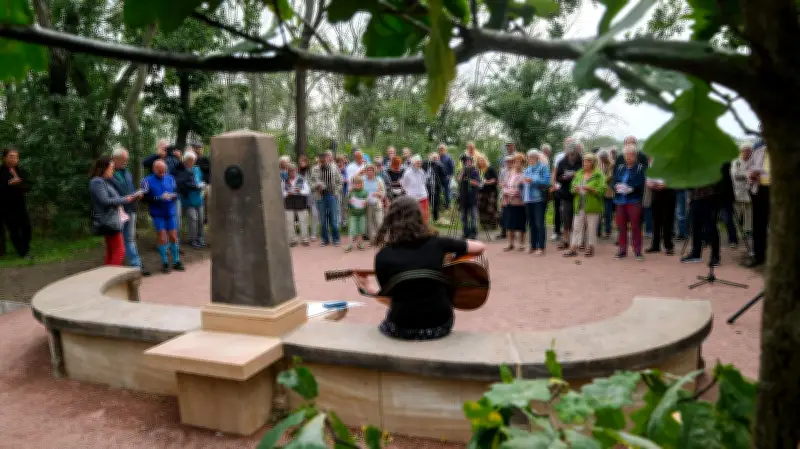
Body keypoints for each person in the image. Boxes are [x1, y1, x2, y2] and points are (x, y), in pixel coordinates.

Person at [353, 196, 486, 341]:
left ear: (389, 221)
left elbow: (391, 300)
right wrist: (451, 259)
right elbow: (480, 247)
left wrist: (368, 286)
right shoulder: (439, 243)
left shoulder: (382, 256)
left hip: (401, 328)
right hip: (440, 325)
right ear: (420, 217)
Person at [89, 156, 142, 266]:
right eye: (111, 168)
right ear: (104, 168)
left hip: (110, 219)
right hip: (108, 220)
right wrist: (126, 199)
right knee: (120, 250)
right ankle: (112, 278)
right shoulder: (97, 182)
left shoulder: (104, 181)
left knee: (111, 251)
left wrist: (131, 197)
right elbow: (105, 200)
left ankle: (106, 277)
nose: (112, 170)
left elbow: (113, 198)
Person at [109, 147, 150, 275]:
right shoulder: (108, 174)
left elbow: (130, 189)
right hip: (116, 211)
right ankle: (114, 269)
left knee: (130, 239)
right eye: (123, 160)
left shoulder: (127, 173)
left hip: (130, 209)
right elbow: (109, 195)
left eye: (126, 160)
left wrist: (137, 194)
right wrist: (125, 198)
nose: (125, 163)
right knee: (117, 241)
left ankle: (136, 266)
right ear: (114, 159)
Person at [142, 160, 184, 273]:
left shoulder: (170, 178)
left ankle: (176, 261)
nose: (162, 173)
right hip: (157, 213)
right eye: (159, 171)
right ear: (154, 169)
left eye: (163, 171)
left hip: (170, 212)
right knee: (162, 237)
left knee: (173, 236)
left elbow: (177, 192)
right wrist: (158, 198)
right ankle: (165, 262)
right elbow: (144, 198)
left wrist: (172, 196)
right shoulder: (146, 180)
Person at [563, 152, 605, 257]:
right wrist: (575, 189)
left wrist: (591, 189)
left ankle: (590, 247)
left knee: (591, 227)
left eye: (588, 161)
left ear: (593, 163)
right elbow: (572, 188)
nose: (585, 163)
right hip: (579, 204)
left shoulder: (599, 175)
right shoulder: (579, 173)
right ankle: (573, 248)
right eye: (584, 161)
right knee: (576, 226)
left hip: (592, 205)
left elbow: (602, 190)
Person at [613, 145, 647, 260]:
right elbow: (614, 181)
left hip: (634, 200)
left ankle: (637, 251)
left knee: (635, 226)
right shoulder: (619, 168)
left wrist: (631, 188)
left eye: (631, 155)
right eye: (626, 155)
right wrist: (616, 186)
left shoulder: (640, 168)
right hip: (620, 200)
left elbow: (641, 183)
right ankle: (622, 250)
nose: (628, 157)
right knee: (621, 226)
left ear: (635, 156)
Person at [0, 147, 33, 260]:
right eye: (11, 157)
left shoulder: (19, 170)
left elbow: (28, 183)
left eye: (16, 157)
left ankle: (25, 248)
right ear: (4, 158)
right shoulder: (2, 172)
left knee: (27, 227)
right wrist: (9, 183)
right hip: (6, 207)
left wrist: (22, 185)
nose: (14, 159)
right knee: (14, 230)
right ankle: (23, 252)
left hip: (20, 204)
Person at [681, 182, 722, 267]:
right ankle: (696, 254)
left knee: (710, 226)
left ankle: (715, 256)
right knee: (696, 225)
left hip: (711, 196)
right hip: (696, 197)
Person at [309, 151, 343, 247]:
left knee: (333, 219)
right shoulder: (314, 169)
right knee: (323, 220)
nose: (323, 162)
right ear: (319, 160)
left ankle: (336, 239)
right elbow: (310, 182)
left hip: (332, 195)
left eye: (324, 160)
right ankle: (325, 239)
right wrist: (316, 186)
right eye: (321, 160)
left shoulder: (334, 168)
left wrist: (336, 193)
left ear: (328, 159)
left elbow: (340, 182)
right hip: (320, 197)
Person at [745, 142, 770, 267]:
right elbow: (749, 168)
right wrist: (752, 175)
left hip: (778, 191)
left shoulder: (786, 148)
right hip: (759, 189)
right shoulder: (758, 149)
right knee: (759, 223)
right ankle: (759, 255)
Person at [176, 151, 207, 249]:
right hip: (187, 199)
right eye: (189, 160)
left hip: (199, 198)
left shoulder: (197, 169)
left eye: (193, 160)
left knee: (201, 220)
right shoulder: (182, 170)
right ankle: (192, 239)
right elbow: (182, 184)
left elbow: (200, 179)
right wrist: (196, 186)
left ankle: (200, 239)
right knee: (193, 219)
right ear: (185, 160)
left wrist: (201, 184)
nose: (191, 162)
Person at [522, 150, 551, 255]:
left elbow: (547, 182)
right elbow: (524, 183)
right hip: (528, 199)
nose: (530, 159)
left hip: (539, 199)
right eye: (529, 157)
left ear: (537, 158)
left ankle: (541, 247)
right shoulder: (527, 169)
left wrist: (533, 181)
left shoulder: (543, 168)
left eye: (532, 157)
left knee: (539, 223)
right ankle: (533, 246)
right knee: (531, 224)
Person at [554, 143, 582, 250]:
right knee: (566, 218)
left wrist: (576, 175)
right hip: (566, 194)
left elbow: (585, 174)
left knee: (579, 218)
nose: (571, 154)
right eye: (570, 153)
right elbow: (557, 177)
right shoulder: (562, 162)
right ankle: (566, 240)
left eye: (573, 153)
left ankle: (579, 241)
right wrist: (564, 177)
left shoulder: (582, 162)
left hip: (579, 194)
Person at [644, 172, 676, 255]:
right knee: (656, 220)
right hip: (656, 192)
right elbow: (648, 178)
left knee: (667, 220)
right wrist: (650, 184)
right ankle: (655, 245)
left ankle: (668, 246)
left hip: (669, 191)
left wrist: (667, 184)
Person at [501, 153, 527, 251]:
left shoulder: (525, 173)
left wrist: (517, 192)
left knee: (521, 224)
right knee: (509, 223)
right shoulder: (509, 173)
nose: (517, 164)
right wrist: (507, 192)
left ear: (523, 163)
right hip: (509, 201)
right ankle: (510, 244)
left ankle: (522, 244)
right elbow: (503, 185)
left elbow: (525, 188)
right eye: (516, 161)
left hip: (520, 203)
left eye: (520, 162)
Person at [283, 164, 311, 246]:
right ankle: (292, 240)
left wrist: (300, 191)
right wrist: (287, 193)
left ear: (296, 171)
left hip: (300, 202)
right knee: (289, 222)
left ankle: (305, 239)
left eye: (294, 171)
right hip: (289, 203)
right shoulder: (284, 180)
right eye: (290, 171)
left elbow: (307, 191)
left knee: (303, 221)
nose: (292, 173)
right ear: (288, 172)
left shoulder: (302, 179)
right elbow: (281, 192)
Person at [731, 144, 753, 241]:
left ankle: (747, 230)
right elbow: (735, 174)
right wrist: (747, 174)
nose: (747, 153)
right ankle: (736, 231)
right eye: (745, 151)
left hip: (749, 190)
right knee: (737, 212)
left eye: (749, 151)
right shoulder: (736, 162)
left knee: (748, 212)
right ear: (741, 151)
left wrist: (747, 175)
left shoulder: (752, 162)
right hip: (737, 190)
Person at [457, 154, 481, 239]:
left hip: (472, 197)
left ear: (471, 162)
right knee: (463, 216)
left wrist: (469, 180)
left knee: (473, 216)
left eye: (468, 161)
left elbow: (478, 183)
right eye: (465, 161)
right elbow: (459, 179)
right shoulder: (462, 171)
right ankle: (465, 232)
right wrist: (463, 170)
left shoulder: (475, 171)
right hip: (463, 198)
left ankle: (473, 233)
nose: (466, 163)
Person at [400, 155, 429, 222]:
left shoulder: (422, 171)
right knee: (412, 215)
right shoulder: (407, 173)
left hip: (423, 196)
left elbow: (424, 182)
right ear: (413, 163)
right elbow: (404, 185)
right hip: (412, 198)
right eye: (417, 163)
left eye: (420, 162)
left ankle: (424, 230)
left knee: (424, 215)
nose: (419, 164)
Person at [345, 175, 369, 252]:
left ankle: (360, 244)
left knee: (361, 230)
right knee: (352, 230)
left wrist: (366, 203)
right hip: (353, 215)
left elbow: (366, 202)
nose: (358, 185)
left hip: (362, 215)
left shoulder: (365, 192)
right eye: (356, 183)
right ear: (354, 184)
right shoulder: (351, 192)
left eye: (359, 183)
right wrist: (349, 202)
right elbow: (347, 203)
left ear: (362, 184)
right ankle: (349, 245)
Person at [475, 155, 499, 230]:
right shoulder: (477, 170)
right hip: (481, 192)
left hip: (491, 191)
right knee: (481, 207)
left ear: (485, 160)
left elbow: (495, 180)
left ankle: (493, 224)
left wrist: (487, 182)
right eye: (479, 160)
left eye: (482, 160)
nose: (481, 162)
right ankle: (484, 225)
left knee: (491, 208)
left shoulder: (490, 169)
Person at [363, 164, 386, 241]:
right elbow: (360, 191)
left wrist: (378, 194)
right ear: (365, 171)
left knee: (379, 221)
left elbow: (383, 192)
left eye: (371, 170)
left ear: (374, 171)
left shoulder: (379, 180)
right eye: (368, 170)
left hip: (377, 203)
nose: (370, 171)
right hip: (367, 204)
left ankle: (381, 238)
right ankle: (373, 239)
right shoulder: (363, 180)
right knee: (369, 223)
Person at [597, 149, 615, 239]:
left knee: (608, 212)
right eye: (601, 158)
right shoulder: (599, 164)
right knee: (599, 212)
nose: (602, 159)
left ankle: (608, 231)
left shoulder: (612, 164)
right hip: (600, 192)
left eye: (603, 158)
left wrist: (601, 180)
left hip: (609, 192)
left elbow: (610, 177)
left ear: (606, 157)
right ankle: (598, 231)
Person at [424, 153, 447, 224]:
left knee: (435, 203)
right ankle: (425, 218)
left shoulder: (440, 165)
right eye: (433, 157)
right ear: (429, 158)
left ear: (438, 158)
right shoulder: (425, 164)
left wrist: (438, 164)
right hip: (426, 186)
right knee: (426, 202)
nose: (434, 159)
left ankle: (435, 218)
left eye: (435, 158)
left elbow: (444, 174)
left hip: (435, 186)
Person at [496, 156, 514, 239]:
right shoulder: (503, 171)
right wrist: (503, 186)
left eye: (510, 161)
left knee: (512, 212)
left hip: (513, 194)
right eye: (507, 162)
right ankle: (503, 232)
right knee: (502, 212)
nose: (508, 163)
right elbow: (499, 182)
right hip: (504, 194)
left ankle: (512, 230)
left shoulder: (515, 170)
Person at [438, 144, 455, 209]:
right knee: (438, 191)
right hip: (438, 177)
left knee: (446, 191)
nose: (441, 150)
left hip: (446, 177)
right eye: (440, 149)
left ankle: (447, 205)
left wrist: (450, 175)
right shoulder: (437, 156)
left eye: (443, 149)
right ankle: (439, 204)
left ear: (445, 149)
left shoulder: (448, 157)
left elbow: (452, 167)